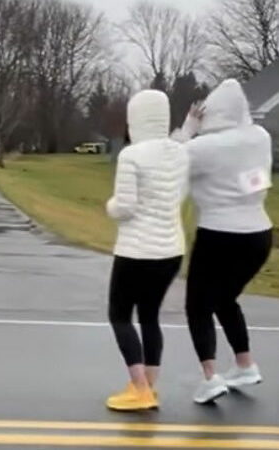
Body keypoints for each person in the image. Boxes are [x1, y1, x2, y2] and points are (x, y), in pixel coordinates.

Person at [174, 79, 273, 405]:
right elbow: (255, 177)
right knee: (225, 298)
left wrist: (188, 128)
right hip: (259, 235)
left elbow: (170, 161)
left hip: (219, 234)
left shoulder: (203, 148)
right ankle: (244, 364)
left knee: (197, 305)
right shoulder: (261, 137)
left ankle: (210, 376)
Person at [104, 90, 189, 412]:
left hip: (137, 249)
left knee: (120, 315)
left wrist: (109, 207)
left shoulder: (132, 155)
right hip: (170, 249)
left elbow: (125, 207)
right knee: (150, 316)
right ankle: (148, 385)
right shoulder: (179, 152)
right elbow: (180, 195)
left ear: (135, 117)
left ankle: (139, 388)